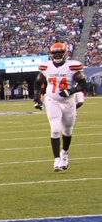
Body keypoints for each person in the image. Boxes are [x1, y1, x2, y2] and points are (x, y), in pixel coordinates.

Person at [34, 42, 87, 171]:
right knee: (55, 129)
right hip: (52, 100)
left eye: (59, 52)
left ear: (65, 53)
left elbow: (83, 84)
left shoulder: (72, 66)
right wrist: (37, 98)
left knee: (67, 130)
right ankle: (56, 159)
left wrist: (70, 91)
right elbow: (38, 81)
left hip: (68, 102)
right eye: (54, 53)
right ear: (51, 54)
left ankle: (65, 153)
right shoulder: (46, 67)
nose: (57, 55)